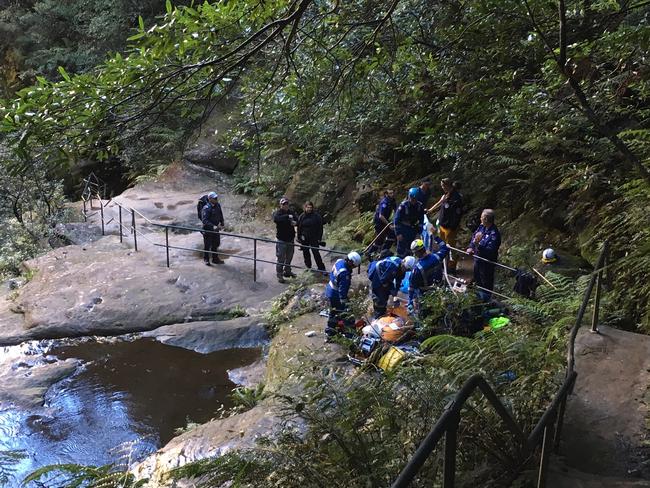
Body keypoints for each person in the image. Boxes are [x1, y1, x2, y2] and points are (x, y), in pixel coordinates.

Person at [427, 178, 463, 272]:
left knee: (450, 248)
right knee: (442, 246)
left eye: (443, 186)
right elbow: (440, 203)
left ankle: (452, 266)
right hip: (443, 224)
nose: (442, 187)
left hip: (450, 227)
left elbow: (457, 214)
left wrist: (453, 227)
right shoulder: (446, 195)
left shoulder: (456, 198)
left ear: (447, 186)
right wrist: (430, 210)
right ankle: (444, 264)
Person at [466, 209, 501, 300]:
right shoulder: (481, 227)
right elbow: (474, 237)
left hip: (487, 263)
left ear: (485, 219)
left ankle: (486, 302)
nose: (480, 218)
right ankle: (477, 300)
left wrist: (478, 246)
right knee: (477, 281)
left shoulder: (494, 234)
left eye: (481, 217)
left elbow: (490, 251)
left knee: (486, 284)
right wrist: (471, 247)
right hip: (477, 260)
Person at [408, 237, 449, 313]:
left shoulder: (417, 269)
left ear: (417, 253)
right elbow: (445, 248)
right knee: (440, 311)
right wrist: (436, 236)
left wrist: (410, 301)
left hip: (425, 296)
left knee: (426, 314)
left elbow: (412, 287)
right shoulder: (437, 257)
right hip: (439, 290)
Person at [325, 251, 362, 335]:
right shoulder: (344, 274)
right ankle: (349, 334)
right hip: (336, 294)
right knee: (347, 314)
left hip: (330, 288)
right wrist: (345, 301)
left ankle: (330, 332)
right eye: (354, 266)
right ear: (351, 262)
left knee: (333, 311)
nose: (353, 268)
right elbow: (343, 289)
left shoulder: (339, 261)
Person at [394, 187, 424, 258]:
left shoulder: (419, 206)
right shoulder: (403, 206)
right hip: (403, 230)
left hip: (413, 230)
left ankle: (408, 265)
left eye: (415, 199)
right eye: (412, 198)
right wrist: (398, 233)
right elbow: (396, 220)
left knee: (410, 250)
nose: (413, 200)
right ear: (409, 196)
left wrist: (418, 233)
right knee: (401, 250)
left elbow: (421, 220)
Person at [272, 197, 297, 283]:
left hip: (290, 239)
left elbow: (297, 219)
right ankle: (279, 274)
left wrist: (295, 222)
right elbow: (276, 219)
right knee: (281, 258)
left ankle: (287, 271)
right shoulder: (278, 213)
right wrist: (287, 216)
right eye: (284, 204)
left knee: (289, 257)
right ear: (281, 205)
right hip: (281, 240)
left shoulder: (291, 212)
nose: (285, 206)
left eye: (287, 204)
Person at [297, 201, 325, 272]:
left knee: (316, 253)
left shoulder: (316, 216)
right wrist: (299, 237)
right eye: (308, 207)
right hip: (304, 238)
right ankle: (308, 267)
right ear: (305, 207)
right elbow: (299, 227)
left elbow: (320, 228)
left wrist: (319, 238)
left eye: (310, 207)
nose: (309, 209)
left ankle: (321, 268)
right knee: (306, 253)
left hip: (314, 238)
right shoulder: (302, 216)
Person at [367, 189, 397, 258]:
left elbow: (396, 211)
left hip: (386, 221)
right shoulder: (384, 202)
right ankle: (370, 253)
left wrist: (395, 221)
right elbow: (381, 216)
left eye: (393, 193)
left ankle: (383, 251)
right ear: (386, 194)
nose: (392, 194)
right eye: (390, 193)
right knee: (380, 239)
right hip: (379, 222)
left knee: (392, 235)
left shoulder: (392, 201)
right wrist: (388, 225)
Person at [201, 191, 224, 265]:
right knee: (207, 245)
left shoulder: (218, 205)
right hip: (208, 230)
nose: (216, 199)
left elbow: (220, 214)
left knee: (216, 244)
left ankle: (215, 259)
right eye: (215, 198)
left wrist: (222, 222)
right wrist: (212, 226)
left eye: (216, 197)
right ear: (210, 199)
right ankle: (206, 259)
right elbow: (204, 220)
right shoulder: (206, 208)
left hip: (216, 229)